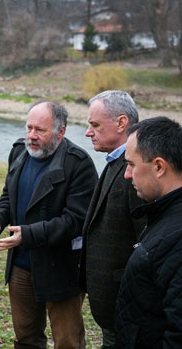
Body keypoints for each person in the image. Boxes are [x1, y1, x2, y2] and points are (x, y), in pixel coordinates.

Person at [0, 100, 96, 349]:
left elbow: (76, 221)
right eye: (29, 127)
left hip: (61, 268)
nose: (31, 136)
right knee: (26, 339)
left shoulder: (79, 163)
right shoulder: (19, 151)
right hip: (21, 266)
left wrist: (28, 235)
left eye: (40, 130)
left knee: (67, 342)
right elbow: (10, 196)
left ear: (60, 131)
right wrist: (0, 215)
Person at [79, 90, 145, 349]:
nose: (88, 132)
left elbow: (146, 241)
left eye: (94, 125)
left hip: (126, 305)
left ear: (121, 123)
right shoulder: (115, 162)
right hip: (112, 306)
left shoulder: (136, 172)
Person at [115, 117, 182, 348]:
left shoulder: (177, 236)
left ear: (159, 167)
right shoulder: (163, 213)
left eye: (131, 164)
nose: (126, 174)